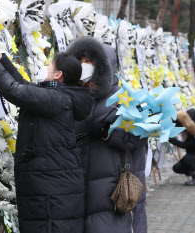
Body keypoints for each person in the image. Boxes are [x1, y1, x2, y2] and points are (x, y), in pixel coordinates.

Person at [0, 46, 94, 233]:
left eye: (49, 65)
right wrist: (1, 59)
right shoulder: (58, 96)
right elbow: (24, 86)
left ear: (58, 74)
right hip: (51, 190)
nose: (45, 67)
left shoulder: (55, 99)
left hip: (50, 194)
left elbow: (14, 90)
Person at [66, 37, 148, 233]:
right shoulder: (70, 98)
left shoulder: (124, 99)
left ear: (104, 65)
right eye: (81, 61)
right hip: (74, 198)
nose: (84, 66)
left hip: (110, 201)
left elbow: (138, 143)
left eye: (90, 61)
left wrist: (110, 131)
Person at [169, 109, 195, 186]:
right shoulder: (188, 126)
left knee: (188, 159)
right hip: (193, 156)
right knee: (177, 168)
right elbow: (177, 122)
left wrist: (170, 139)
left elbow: (185, 145)